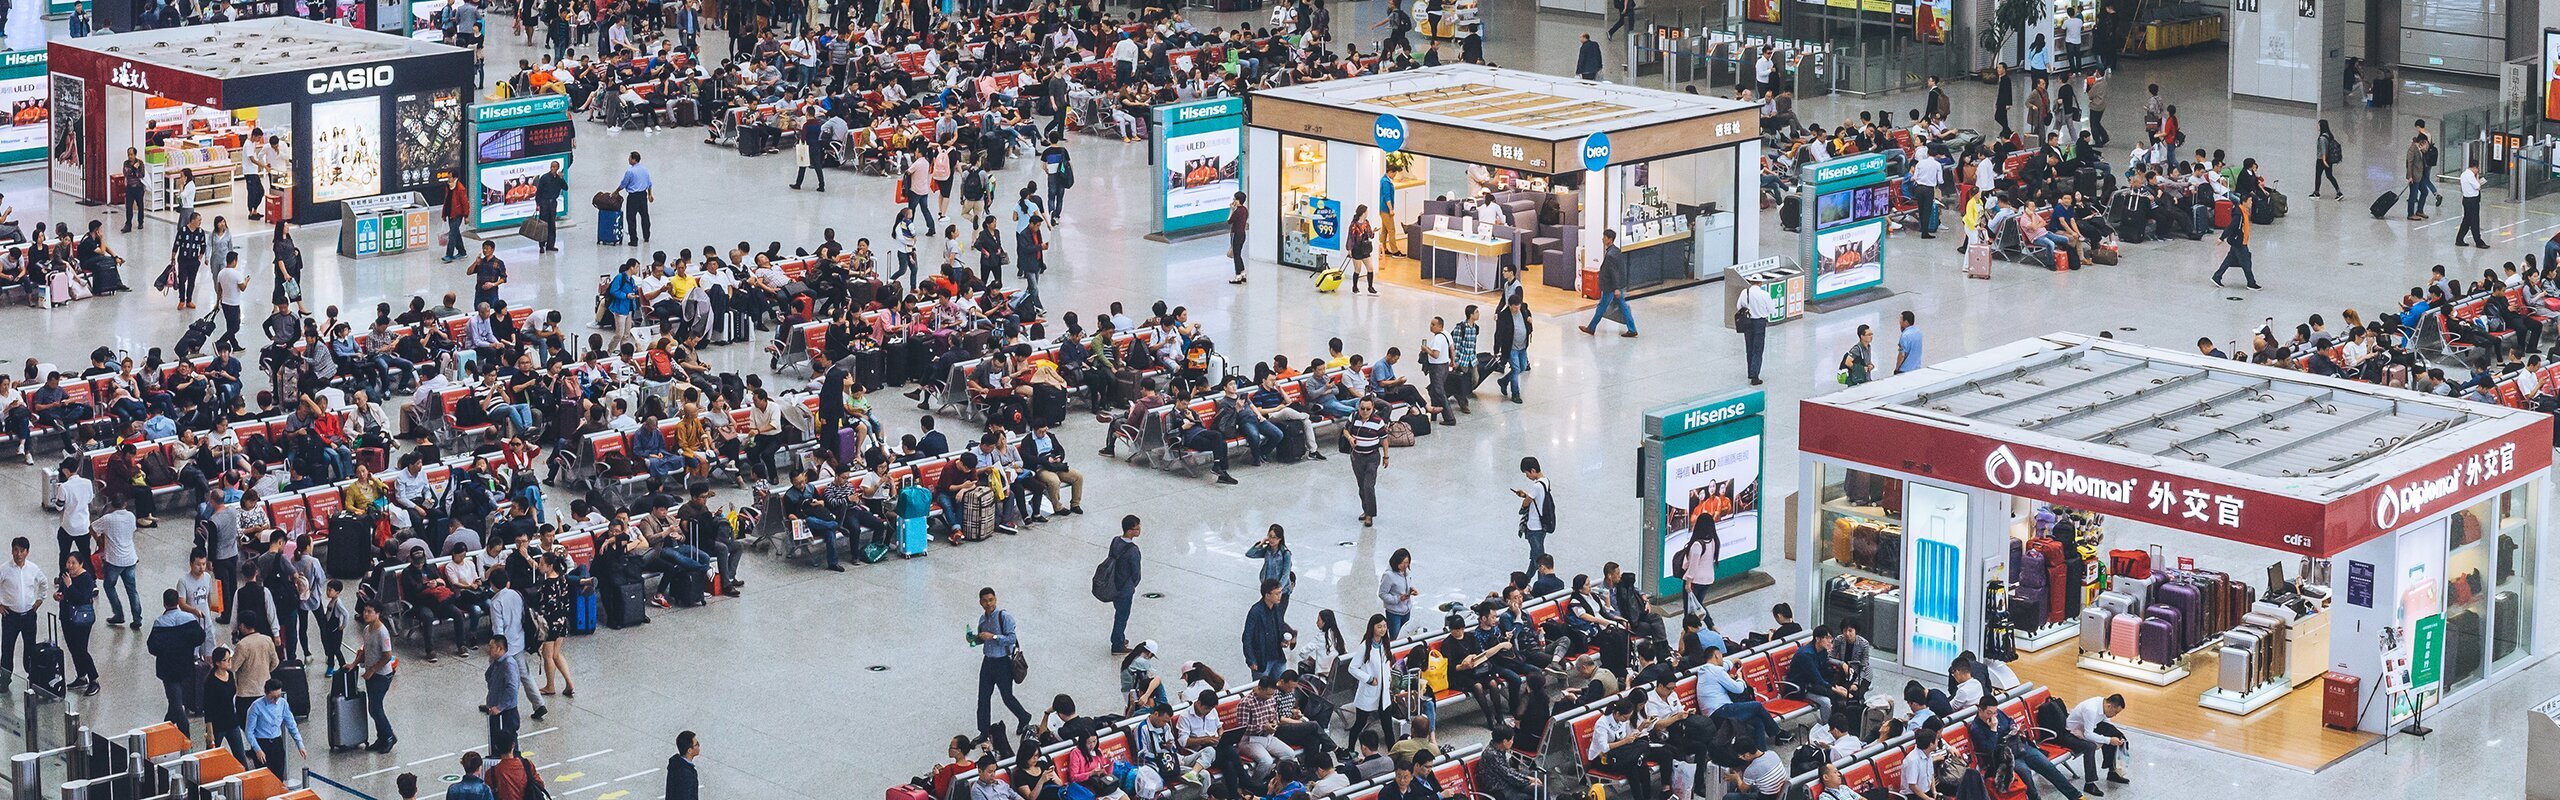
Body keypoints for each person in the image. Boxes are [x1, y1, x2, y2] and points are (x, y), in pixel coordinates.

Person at [970, 587, 1032, 741]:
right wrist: (973, 639)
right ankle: (984, 732)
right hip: (988, 662)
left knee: (1007, 696)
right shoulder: (982, 619)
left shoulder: (1004, 617)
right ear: (980, 602)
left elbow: (1011, 639)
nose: (988, 603)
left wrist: (994, 636)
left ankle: (1024, 716)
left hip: (1003, 662)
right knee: (983, 698)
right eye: (984, 601)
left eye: (990, 600)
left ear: (995, 599)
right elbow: (981, 639)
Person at [2060, 694, 2131, 794]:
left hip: (2085, 729)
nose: (2115, 715)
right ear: (2109, 706)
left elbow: (2107, 726)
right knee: (2090, 747)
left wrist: (2116, 736)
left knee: (2116, 734)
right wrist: (2109, 740)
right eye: (2115, 712)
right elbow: (2088, 734)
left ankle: (2112, 772)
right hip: (2071, 734)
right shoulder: (2091, 709)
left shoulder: (2103, 706)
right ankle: (2089, 784)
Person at [355, 601, 399, 752]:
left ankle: (389, 736)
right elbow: (365, 650)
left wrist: (372, 670)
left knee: (375, 707)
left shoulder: (382, 632)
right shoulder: (367, 629)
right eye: (365, 611)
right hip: (371, 674)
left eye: (369, 611)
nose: (365, 614)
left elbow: (387, 656)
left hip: (381, 675)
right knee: (373, 707)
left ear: (378, 613)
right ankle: (382, 738)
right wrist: (354, 664)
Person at [0, 537, 44, 683]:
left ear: (27, 552)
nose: (18, 554)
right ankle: (5, 679)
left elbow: (43, 583)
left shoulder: (33, 569)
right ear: (12, 551)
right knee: (7, 649)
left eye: (22, 551)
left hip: (28, 616)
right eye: (15, 550)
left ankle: (32, 677)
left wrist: (39, 600)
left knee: (30, 648)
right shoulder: (4, 569)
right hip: (10, 617)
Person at [244, 678, 304, 780]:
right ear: (266, 693)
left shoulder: (283, 703)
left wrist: (300, 744)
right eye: (273, 697)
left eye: (278, 696)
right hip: (262, 743)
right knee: (263, 778)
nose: (276, 700)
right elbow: (249, 731)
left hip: (277, 743)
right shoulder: (256, 706)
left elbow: (291, 724)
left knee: (278, 776)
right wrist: (257, 750)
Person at [1580, 230, 1637, 337]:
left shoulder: (1610, 255)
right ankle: (1632, 328)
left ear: (1610, 239)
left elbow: (1613, 272)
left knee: (1602, 306)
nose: (1603, 239)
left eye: (1604, 237)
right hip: (1617, 285)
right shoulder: (1616, 251)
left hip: (1610, 287)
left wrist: (1615, 288)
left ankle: (1591, 328)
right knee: (1623, 306)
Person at [55, 554, 98, 695]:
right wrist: (58, 595)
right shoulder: (66, 576)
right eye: (68, 562)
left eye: (73, 563)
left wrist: (69, 586)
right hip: (67, 617)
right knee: (73, 648)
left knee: (81, 649)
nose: (70, 566)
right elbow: (63, 592)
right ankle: (81, 676)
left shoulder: (86, 578)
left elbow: (81, 598)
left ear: (81, 564)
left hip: (81, 620)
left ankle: (94, 679)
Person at [1345, 401, 1389, 528]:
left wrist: (1386, 456)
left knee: (1368, 486)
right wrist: (1350, 438)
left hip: (1372, 457)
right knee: (1361, 485)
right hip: (1357, 457)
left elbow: (1384, 439)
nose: (1364, 411)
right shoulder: (1353, 417)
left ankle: (1370, 515)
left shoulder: (1378, 422)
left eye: (1368, 409)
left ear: (1372, 409)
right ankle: (1366, 509)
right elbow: (1345, 431)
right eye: (1362, 408)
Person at [480, 635, 521, 754]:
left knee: (508, 744)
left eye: (491, 647)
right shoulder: (497, 662)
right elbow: (488, 675)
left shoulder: (508, 664)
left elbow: (512, 688)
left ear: (500, 648)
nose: (489, 649)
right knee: (496, 741)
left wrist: (500, 706)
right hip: (496, 710)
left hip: (506, 713)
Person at [2212, 197, 2260, 290]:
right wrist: (2222, 237)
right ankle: (2251, 283)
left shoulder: (2244, 212)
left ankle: (2217, 277)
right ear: (2244, 201)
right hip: (2239, 242)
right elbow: (2232, 226)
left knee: (2229, 260)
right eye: (2250, 200)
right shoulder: (2239, 214)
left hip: (2239, 241)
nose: (2251, 202)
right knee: (2246, 262)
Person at [1243, 580, 1289, 679]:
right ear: (1267, 595)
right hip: (1262, 660)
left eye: (1280, 592)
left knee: (1282, 685)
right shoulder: (1255, 611)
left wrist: (1283, 640)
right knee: (1262, 690)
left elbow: (1280, 626)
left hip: (1278, 657)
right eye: (1277, 593)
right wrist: (1251, 660)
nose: (1280, 596)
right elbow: (1247, 637)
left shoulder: (1276, 608)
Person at [1515, 457, 1554, 573]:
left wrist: (1523, 504)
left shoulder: (1536, 486)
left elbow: (1527, 501)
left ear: (1532, 470)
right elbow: (1536, 498)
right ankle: (1526, 580)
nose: (1527, 476)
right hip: (1542, 526)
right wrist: (1525, 495)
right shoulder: (1545, 481)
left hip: (1534, 527)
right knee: (1535, 557)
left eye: (1527, 473)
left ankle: (1541, 583)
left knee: (1539, 561)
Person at [1735, 275, 1774, 385]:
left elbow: (1739, 306)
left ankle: (1750, 372)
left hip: (1747, 322)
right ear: (1760, 283)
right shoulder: (1764, 295)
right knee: (1758, 349)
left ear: (1751, 282)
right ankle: (1755, 376)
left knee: (1749, 347)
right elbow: (1771, 309)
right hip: (1759, 323)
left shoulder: (1745, 293)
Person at [617, 151, 653, 245]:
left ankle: (634, 240)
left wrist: (615, 192)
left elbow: (623, 184)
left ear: (633, 159)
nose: (628, 159)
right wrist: (649, 194)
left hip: (633, 197)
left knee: (631, 218)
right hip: (643, 195)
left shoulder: (630, 171)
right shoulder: (645, 170)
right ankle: (646, 236)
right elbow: (649, 183)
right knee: (645, 216)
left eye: (629, 158)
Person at [1379, 549, 1417, 637]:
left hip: (1406, 610)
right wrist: (1398, 599)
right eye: (1402, 563)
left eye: (1407, 562)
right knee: (1395, 637)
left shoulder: (1406, 572)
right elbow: (1382, 594)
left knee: (1405, 635)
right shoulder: (1388, 576)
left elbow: (1404, 586)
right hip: (1394, 613)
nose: (1405, 565)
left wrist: (1411, 590)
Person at [532, 162, 566, 252]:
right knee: (543, 225)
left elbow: (565, 187)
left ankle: (550, 245)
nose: (553, 169)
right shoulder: (544, 177)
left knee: (552, 224)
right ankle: (542, 245)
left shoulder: (558, 179)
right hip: (544, 203)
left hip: (553, 203)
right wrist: (537, 203)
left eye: (555, 167)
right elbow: (539, 191)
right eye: (552, 167)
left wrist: (561, 179)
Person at [2456, 159, 2488, 248]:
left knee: (2466, 220)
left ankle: (2459, 239)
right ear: (2475, 167)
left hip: (2466, 199)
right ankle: (2478, 242)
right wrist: (2477, 177)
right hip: (2472, 201)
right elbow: (2477, 187)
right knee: (2474, 221)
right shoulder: (2470, 176)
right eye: (2478, 169)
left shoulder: (2463, 174)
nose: (2478, 171)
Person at [441, 174, 471, 262]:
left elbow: (465, 203)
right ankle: (462, 252)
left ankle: (449, 255)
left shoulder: (460, 188)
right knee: (456, 233)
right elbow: (446, 201)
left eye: (450, 177)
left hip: (458, 214)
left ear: (454, 178)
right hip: (450, 213)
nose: (448, 179)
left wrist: (466, 216)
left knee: (452, 235)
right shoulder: (448, 187)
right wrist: (444, 214)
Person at [2312, 120, 2344, 200]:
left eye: (2318, 125)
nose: (2317, 126)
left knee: (2318, 175)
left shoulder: (2322, 138)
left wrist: (2324, 161)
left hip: (2321, 160)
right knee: (2329, 176)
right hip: (2329, 159)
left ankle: (2316, 193)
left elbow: (2324, 150)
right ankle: (2338, 192)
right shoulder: (2328, 135)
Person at [1228, 193, 1251, 284]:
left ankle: (1238, 276)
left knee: (1236, 255)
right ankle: (1243, 273)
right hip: (1242, 234)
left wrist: (1231, 210)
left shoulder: (1237, 211)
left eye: (1234, 199)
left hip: (1236, 234)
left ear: (1238, 200)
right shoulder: (1245, 210)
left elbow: (1229, 221)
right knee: (1239, 254)